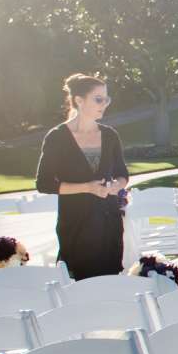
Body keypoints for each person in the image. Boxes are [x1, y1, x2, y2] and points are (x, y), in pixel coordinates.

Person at [34, 72, 129, 279]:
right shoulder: (57, 137)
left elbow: (123, 174)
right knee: (81, 284)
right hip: (76, 223)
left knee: (111, 281)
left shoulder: (110, 135)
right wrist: (87, 187)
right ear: (79, 100)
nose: (104, 104)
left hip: (109, 222)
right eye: (98, 99)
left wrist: (115, 186)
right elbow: (44, 183)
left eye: (106, 99)